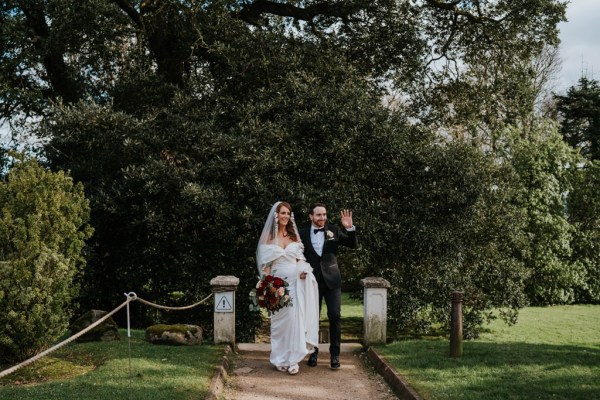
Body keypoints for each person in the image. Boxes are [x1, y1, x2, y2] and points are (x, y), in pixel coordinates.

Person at [256, 201, 319, 375]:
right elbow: (266, 266)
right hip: (276, 285)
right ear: (276, 215)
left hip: (295, 283)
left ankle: (293, 360)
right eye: (283, 213)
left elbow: (300, 261)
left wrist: (304, 272)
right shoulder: (268, 238)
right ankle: (279, 358)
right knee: (279, 324)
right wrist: (267, 285)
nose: (285, 216)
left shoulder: (294, 237)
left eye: (288, 213)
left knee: (295, 321)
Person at [300, 203, 358, 370]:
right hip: (312, 282)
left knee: (335, 317)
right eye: (319, 215)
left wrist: (350, 229)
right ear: (311, 216)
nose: (323, 218)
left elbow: (352, 244)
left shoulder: (333, 230)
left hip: (333, 281)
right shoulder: (302, 234)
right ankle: (313, 352)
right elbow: (298, 256)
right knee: (312, 319)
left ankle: (334, 355)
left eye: (324, 215)